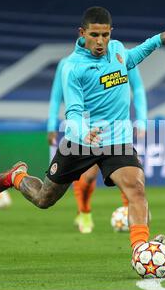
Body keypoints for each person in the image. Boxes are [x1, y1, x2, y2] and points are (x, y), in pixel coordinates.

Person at [0, 6, 165, 263]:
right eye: (95, 35)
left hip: (116, 140)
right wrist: (84, 132)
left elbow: (132, 57)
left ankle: (140, 250)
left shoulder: (116, 50)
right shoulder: (73, 67)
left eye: (105, 35)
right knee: (43, 198)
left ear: (111, 32)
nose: (101, 42)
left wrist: (159, 39)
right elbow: (72, 110)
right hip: (80, 142)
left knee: (136, 189)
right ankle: (17, 177)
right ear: (82, 33)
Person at [47, 54, 148, 233]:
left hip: (115, 128)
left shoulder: (121, 56)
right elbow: (56, 97)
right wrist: (51, 124)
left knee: (129, 176)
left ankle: (131, 213)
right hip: (85, 128)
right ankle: (84, 212)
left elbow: (138, 88)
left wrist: (142, 120)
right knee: (88, 177)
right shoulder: (67, 64)